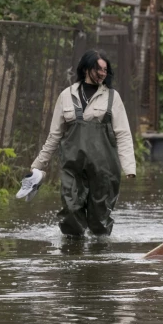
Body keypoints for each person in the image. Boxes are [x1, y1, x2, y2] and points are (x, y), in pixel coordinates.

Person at [29, 49, 136, 238]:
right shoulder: (66, 96)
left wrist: (129, 167)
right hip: (73, 166)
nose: (103, 73)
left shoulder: (113, 97)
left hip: (104, 169)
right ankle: (72, 256)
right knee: (70, 210)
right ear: (86, 69)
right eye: (98, 69)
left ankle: (99, 259)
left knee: (99, 219)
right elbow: (54, 135)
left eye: (105, 70)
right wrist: (38, 164)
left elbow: (123, 134)